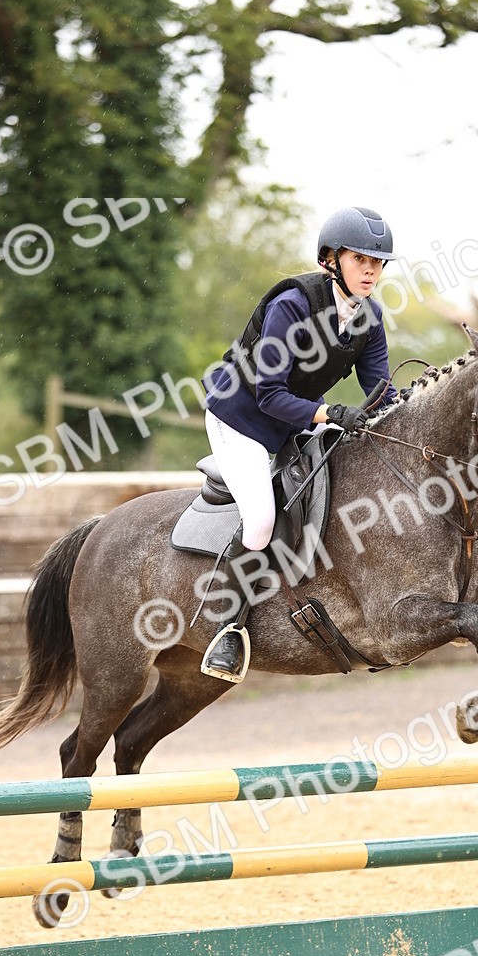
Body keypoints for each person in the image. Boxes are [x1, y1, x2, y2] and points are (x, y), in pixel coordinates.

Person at [199, 205, 397, 684]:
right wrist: (331, 413)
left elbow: (381, 393)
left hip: (292, 423)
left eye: (378, 262)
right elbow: (268, 393)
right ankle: (227, 628)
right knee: (263, 517)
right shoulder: (292, 304)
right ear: (331, 258)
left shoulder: (368, 318)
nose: (371, 270)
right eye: (360, 259)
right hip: (240, 417)